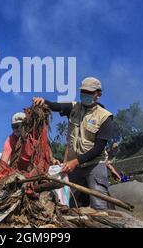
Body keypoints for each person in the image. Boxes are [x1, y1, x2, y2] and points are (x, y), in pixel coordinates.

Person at [33, 77, 117, 210]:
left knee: (99, 204)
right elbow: (56, 106)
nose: (85, 95)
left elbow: (98, 149)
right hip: (75, 166)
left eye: (89, 92)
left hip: (94, 164)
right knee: (70, 205)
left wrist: (74, 162)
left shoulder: (105, 117)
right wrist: (43, 102)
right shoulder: (74, 107)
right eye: (83, 92)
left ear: (98, 94)